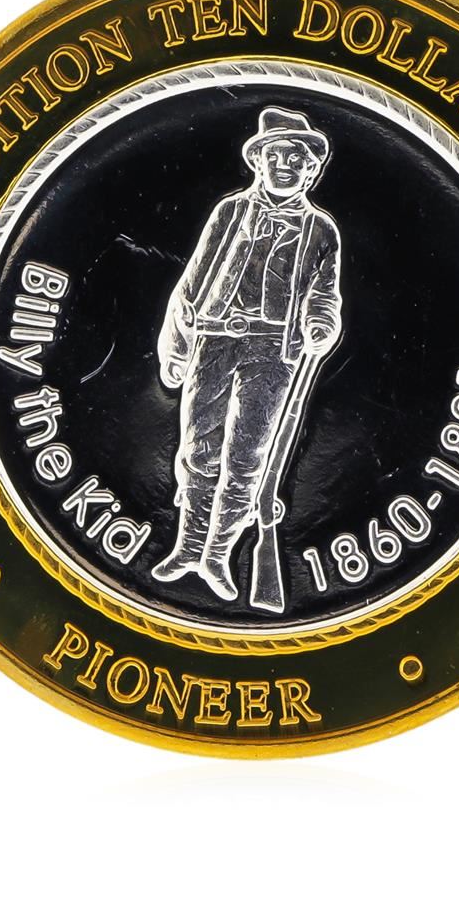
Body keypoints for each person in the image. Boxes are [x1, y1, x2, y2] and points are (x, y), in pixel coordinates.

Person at [153, 106, 344, 602]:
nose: (284, 165)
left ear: (311, 170)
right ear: (258, 161)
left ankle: (218, 555)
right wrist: (175, 345)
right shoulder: (230, 212)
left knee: (248, 457)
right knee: (198, 448)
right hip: (214, 340)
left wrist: (321, 324)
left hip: (274, 352)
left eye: (295, 158)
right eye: (275, 155)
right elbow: (193, 280)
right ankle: (188, 547)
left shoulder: (322, 230)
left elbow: (325, 293)